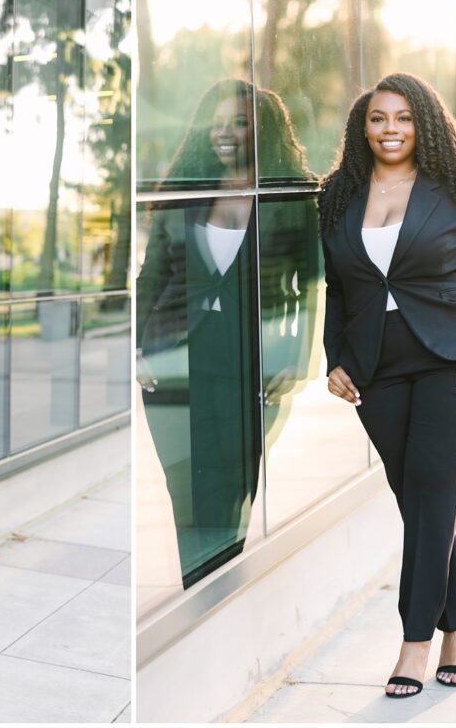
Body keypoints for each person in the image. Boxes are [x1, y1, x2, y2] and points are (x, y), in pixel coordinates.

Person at [319, 73, 456, 698]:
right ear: (362, 127)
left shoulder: (454, 190)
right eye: (378, 119)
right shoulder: (338, 195)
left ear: (423, 123)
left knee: (431, 497)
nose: (390, 130)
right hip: (376, 374)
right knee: (423, 505)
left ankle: (415, 643)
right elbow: (337, 288)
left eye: (403, 118)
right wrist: (334, 358)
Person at [136, 78, 319, 587]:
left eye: (238, 123)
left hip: (246, 358)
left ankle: (222, 582)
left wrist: (296, 359)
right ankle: (198, 591)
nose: (225, 134)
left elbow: (311, 284)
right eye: (216, 125)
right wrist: (137, 347)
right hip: (173, 355)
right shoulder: (185, 192)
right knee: (186, 486)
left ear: (261, 129)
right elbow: (151, 276)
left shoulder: (287, 197)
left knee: (235, 484)